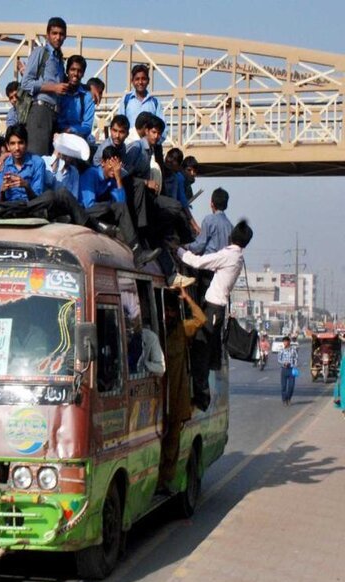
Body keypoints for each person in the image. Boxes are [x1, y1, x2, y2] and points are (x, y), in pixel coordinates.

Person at [177, 220, 254, 404]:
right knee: (207, 350)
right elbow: (212, 265)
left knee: (201, 350)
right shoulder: (237, 257)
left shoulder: (229, 255)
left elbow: (197, 262)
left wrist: (178, 249)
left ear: (231, 236)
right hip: (217, 308)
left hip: (213, 308)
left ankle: (202, 397)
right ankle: (202, 391)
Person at [78, 145, 161, 268]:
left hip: (102, 212)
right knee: (109, 207)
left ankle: (137, 252)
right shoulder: (91, 174)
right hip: (86, 213)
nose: (114, 169)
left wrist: (118, 177)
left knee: (119, 208)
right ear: (103, 163)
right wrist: (110, 206)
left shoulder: (112, 179)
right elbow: (88, 204)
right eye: (111, 165)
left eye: (118, 166)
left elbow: (121, 203)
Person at [160, 286, 206, 487]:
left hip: (176, 396)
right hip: (158, 398)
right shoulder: (155, 330)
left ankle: (166, 481)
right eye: (166, 311)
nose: (169, 314)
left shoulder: (182, 329)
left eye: (171, 311)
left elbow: (201, 319)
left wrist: (187, 298)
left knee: (172, 443)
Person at [20, 17, 68, 155]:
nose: (58, 37)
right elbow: (26, 83)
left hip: (54, 113)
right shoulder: (40, 52)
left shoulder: (59, 59)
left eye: (61, 34)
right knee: (37, 157)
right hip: (40, 110)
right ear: (47, 35)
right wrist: (54, 87)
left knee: (50, 158)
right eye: (54, 33)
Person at [118, 64, 165, 141]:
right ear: (132, 81)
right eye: (137, 79)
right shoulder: (126, 100)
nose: (140, 82)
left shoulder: (155, 103)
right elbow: (120, 124)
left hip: (150, 147)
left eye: (143, 79)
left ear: (148, 81)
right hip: (129, 146)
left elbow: (163, 128)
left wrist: (156, 143)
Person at [57, 55, 95, 144]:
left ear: (83, 73)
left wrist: (72, 130)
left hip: (78, 140)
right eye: (72, 69)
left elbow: (87, 126)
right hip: (58, 138)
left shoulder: (87, 97)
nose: (75, 74)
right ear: (67, 71)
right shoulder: (59, 93)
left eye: (79, 71)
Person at [277, 336, 299, 405]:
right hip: (284, 370)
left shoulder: (293, 350)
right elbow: (279, 359)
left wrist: (294, 365)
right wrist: (284, 363)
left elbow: (296, 358)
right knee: (283, 386)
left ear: (289, 342)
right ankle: (284, 400)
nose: (285, 343)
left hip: (291, 370)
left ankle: (288, 398)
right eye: (284, 341)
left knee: (291, 386)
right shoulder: (281, 351)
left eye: (286, 341)